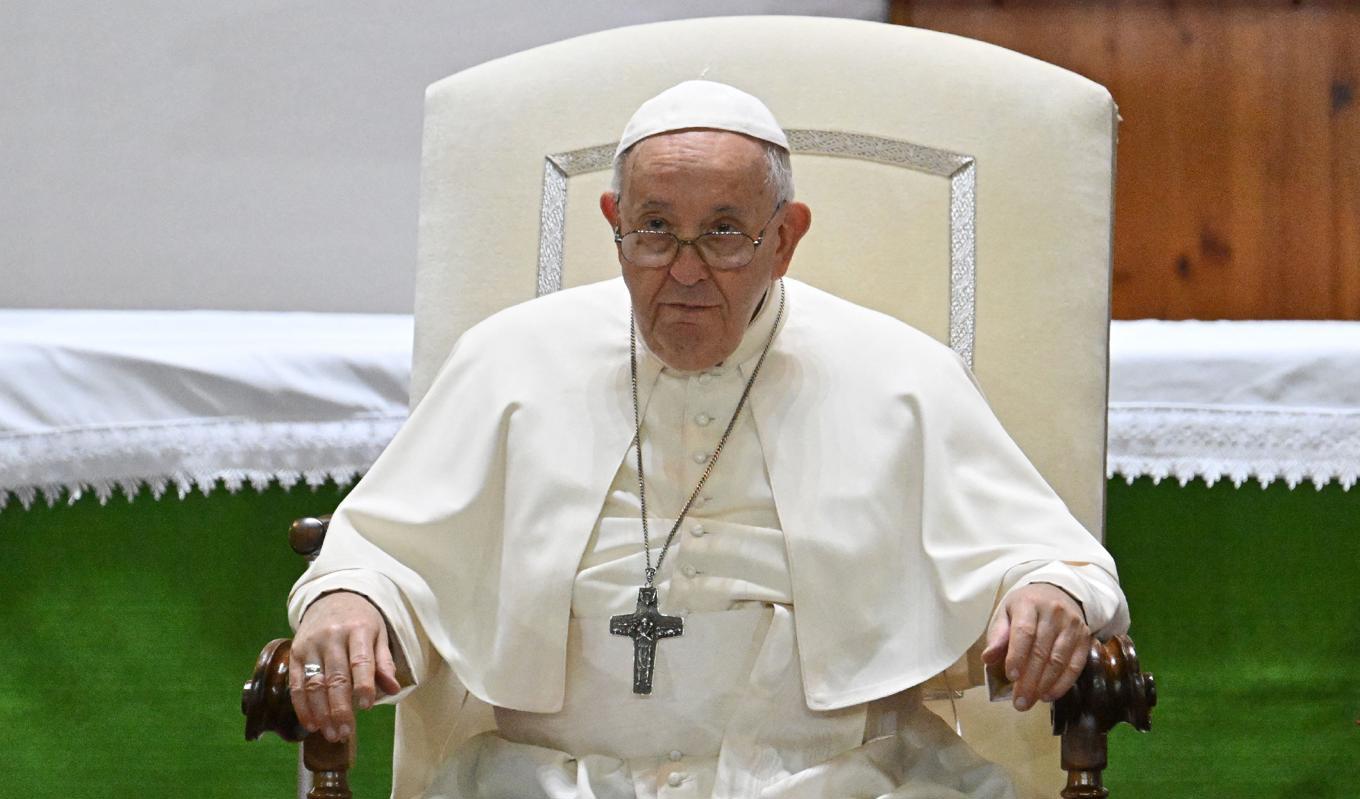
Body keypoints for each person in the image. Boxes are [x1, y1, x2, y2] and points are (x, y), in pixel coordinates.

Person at [287, 81, 1129, 799]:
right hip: (557, 779)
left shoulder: (899, 372)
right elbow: (383, 554)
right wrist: (349, 601)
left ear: (786, 237)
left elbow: (1056, 560)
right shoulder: (508, 359)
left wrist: (1049, 595)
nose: (685, 269)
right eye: (655, 228)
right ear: (615, 221)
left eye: (724, 232)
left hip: (833, 778)